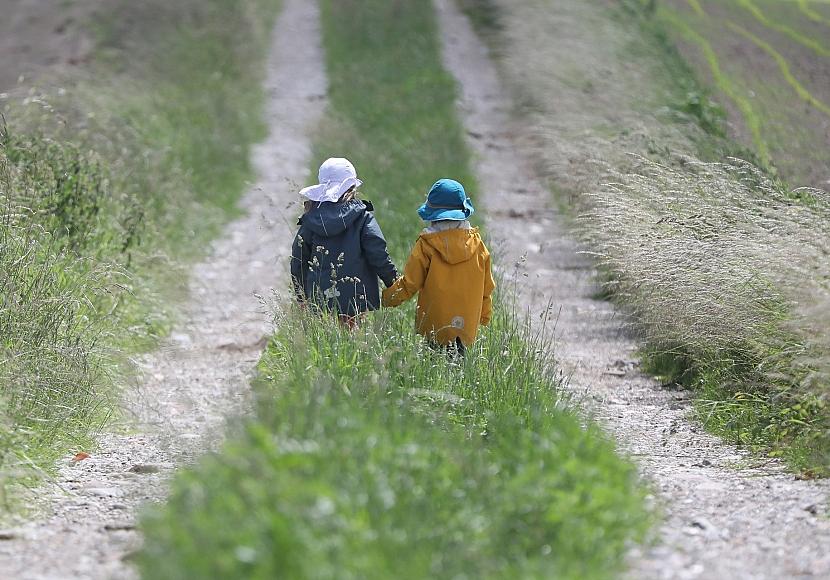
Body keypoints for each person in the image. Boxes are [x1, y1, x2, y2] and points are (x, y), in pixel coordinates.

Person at [382, 178, 495, 356]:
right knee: (458, 367)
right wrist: (484, 315)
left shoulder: (427, 245)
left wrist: (387, 299)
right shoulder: (478, 245)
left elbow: (410, 283)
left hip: (434, 325)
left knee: (433, 366)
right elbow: (487, 287)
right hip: (466, 324)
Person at [291, 157, 398, 327]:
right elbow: (378, 253)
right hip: (355, 294)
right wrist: (393, 281)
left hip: (319, 295)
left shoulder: (311, 219)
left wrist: (301, 295)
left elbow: (298, 259)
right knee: (351, 335)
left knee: (324, 337)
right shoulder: (362, 218)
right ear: (352, 187)